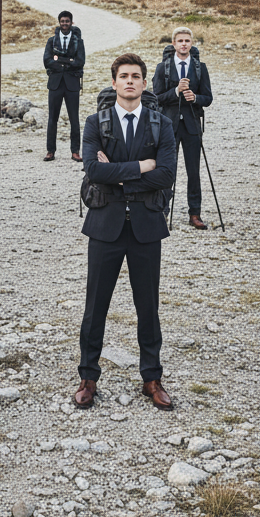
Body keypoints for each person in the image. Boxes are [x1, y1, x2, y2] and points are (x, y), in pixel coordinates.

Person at [75, 53, 177, 411]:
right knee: (95, 306)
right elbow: (93, 171)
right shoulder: (95, 123)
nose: (130, 81)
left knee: (148, 307)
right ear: (114, 82)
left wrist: (117, 172)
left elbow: (166, 175)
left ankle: (152, 378)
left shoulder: (162, 124)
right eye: (124, 76)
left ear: (145, 84)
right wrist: (142, 166)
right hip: (106, 224)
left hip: (147, 225)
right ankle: (88, 377)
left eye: (136, 76)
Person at [152, 26, 213, 230]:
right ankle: (162, 210)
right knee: (167, 169)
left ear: (191, 43)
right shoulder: (163, 68)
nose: (184, 44)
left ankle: (195, 213)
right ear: (174, 44)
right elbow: (156, 98)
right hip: (169, 125)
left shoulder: (200, 67)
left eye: (187, 41)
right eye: (180, 41)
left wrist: (195, 98)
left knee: (193, 171)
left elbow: (208, 98)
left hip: (192, 125)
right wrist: (176, 91)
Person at [44, 10, 85, 162]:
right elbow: (47, 61)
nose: (65, 24)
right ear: (59, 22)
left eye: (67, 21)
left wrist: (59, 61)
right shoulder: (51, 41)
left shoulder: (78, 41)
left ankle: (75, 152)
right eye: (62, 21)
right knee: (52, 119)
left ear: (71, 22)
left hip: (72, 84)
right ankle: (50, 151)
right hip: (55, 84)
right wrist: (69, 62)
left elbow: (80, 62)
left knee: (74, 119)